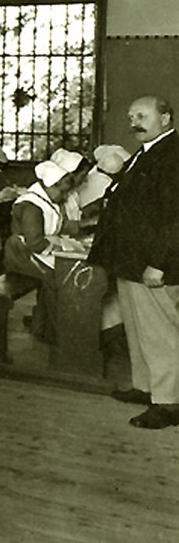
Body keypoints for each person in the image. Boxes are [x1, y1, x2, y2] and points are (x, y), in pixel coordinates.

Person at [88, 96, 179, 429]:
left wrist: (159, 263)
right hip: (130, 262)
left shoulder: (172, 154)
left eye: (142, 115)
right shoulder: (146, 153)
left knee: (161, 333)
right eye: (130, 116)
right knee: (139, 329)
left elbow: (174, 218)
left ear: (166, 118)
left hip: (153, 266)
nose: (134, 122)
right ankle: (146, 387)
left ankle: (169, 403)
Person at [4, 161, 72, 344]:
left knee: (57, 276)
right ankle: (55, 333)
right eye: (63, 191)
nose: (65, 196)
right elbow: (34, 242)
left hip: (35, 251)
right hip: (21, 254)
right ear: (50, 186)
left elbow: (53, 229)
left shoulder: (47, 200)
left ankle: (42, 326)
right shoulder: (31, 205)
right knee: (56, 277)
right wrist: (59, 249)